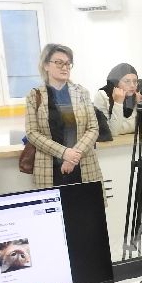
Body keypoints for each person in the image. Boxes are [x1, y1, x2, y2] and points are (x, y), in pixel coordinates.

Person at [25, 44, 103, 189]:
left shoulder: (81, 92)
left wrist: (72, 157)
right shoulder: (35, 95)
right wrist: (64, 153)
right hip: (49, 168)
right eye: (59, 62)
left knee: (88, 203)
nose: (65, 67)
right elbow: (32, 133)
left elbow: (93, 128)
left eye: (68, 63)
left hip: (83, 165)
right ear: (46, 65)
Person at [94, 62, 142, 136]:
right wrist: (118, 103)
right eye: (127, 81)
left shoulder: (136, 96)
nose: (132, 85)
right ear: (115, 83)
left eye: (135, 81)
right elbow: (112, 132)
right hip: (112, 143)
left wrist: (140, 105)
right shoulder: (102, 95)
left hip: (130, 141)